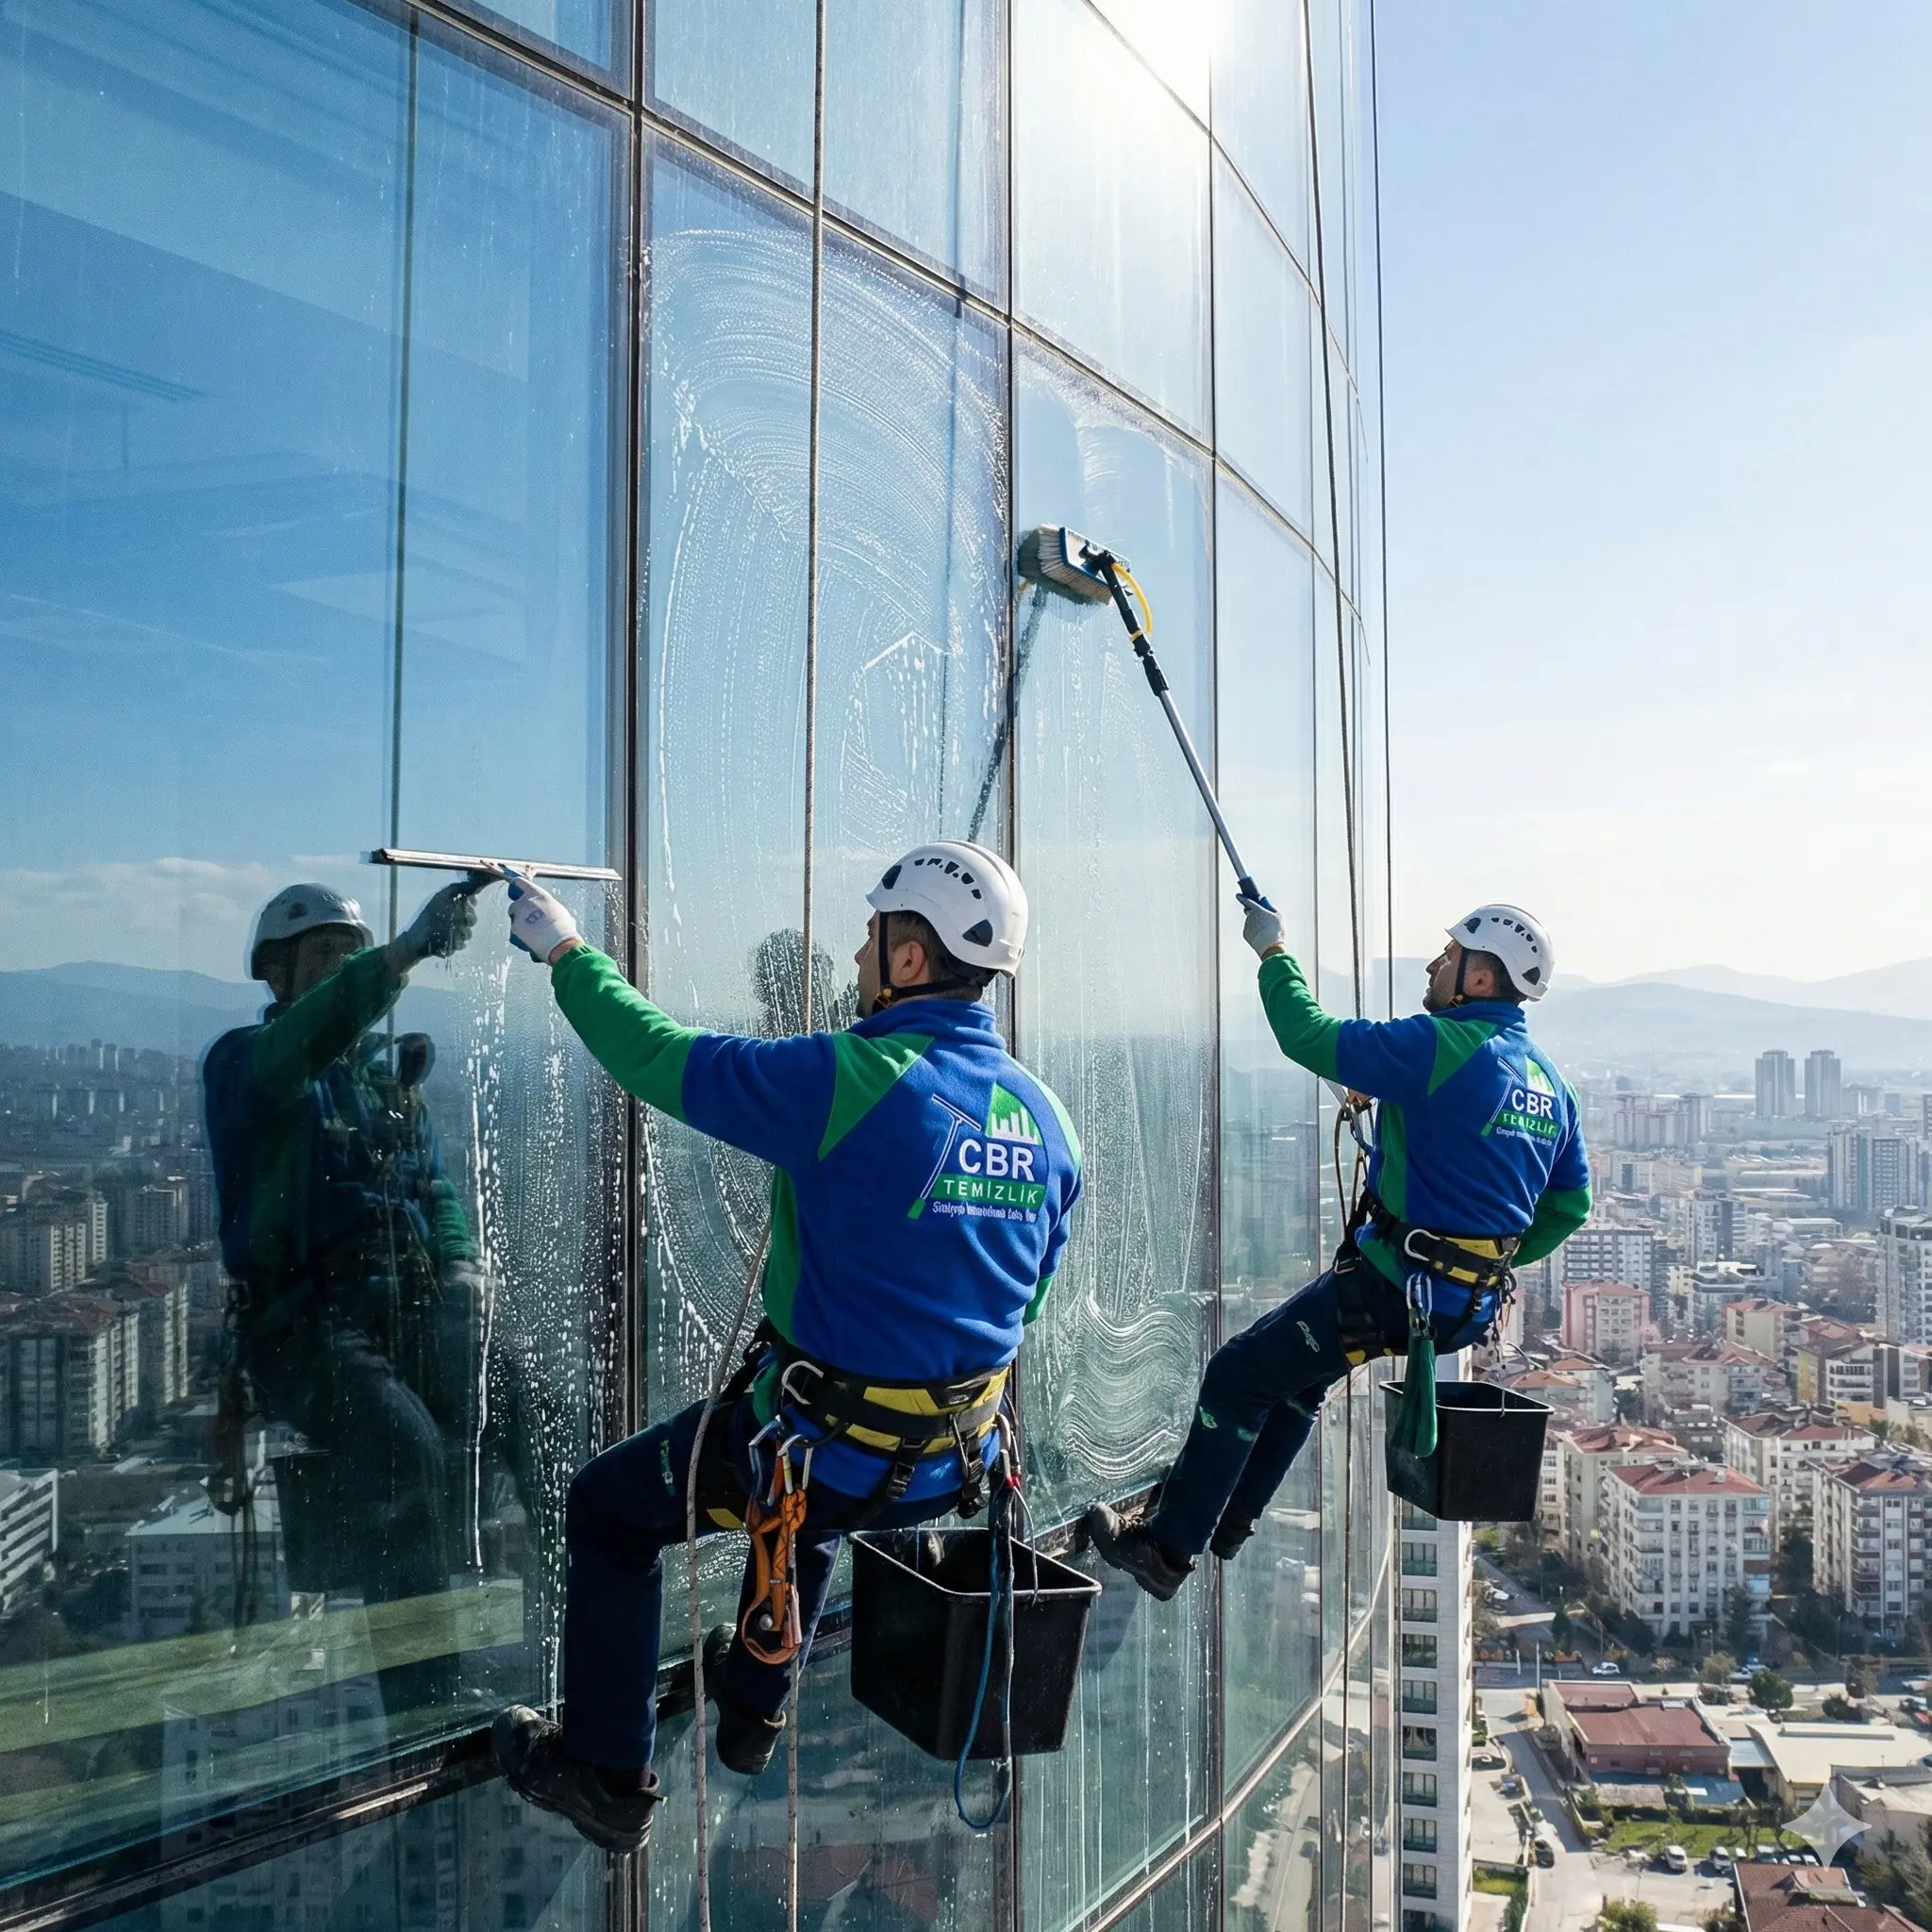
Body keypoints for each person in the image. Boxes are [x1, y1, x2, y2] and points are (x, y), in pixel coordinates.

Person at [491, 841, 1081, 1855]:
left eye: (871, 935)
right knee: (803, 1498)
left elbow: (654, 1054)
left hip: (827, 1454)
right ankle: (755, 1703)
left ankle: (605, 1772)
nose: (857, 951)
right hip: (947, 1467)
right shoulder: (1047, 1118)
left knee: (614, 1510)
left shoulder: (849, 1077)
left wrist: (565, 952)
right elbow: (1023, 1290)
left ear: (907, 956)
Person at [1087, 900, 1590, 1600]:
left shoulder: (1442, 1045)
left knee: (1239, 1375)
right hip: (1463, 1303)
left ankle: (1166, 1550)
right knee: (1299, 1379)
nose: (1434, 964)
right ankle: (1228, 1517)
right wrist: (1481, 1258)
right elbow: (1569, 1206)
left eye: (1448, 957)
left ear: (1479, 978)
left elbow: (1306, 1035)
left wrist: (1273, 952)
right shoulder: (1547, 1082)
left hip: (1395, 1285)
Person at [202, 877, 491, 1705]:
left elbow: (433, 1188)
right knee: (401, 1447)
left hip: (396, 1310)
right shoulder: (247, 1066)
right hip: (301, 1327)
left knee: (532, 1412)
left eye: (349, 957)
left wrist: (461, 1266)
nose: (339, 973)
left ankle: (564, 1652)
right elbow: (306, 1042)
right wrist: (398, 955)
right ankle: (423, 1699)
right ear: (276, 976)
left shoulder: (381, 1084)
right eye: (322, 958)